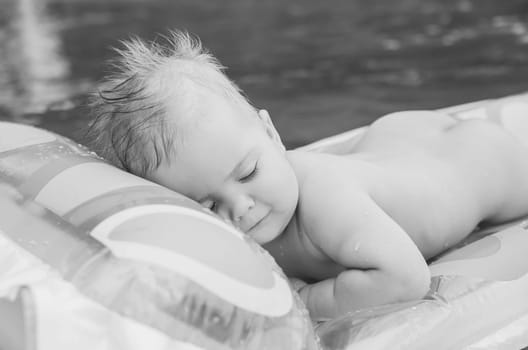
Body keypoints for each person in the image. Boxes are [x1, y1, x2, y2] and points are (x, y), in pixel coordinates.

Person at [86, 31, 528, 320]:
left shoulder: (325, 201)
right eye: (207, 205)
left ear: (273, 133)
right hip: (393, 144)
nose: (240, 208)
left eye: (249, 173)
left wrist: (303, 301)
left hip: (478, 164)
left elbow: (405, 278)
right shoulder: (241, 202)